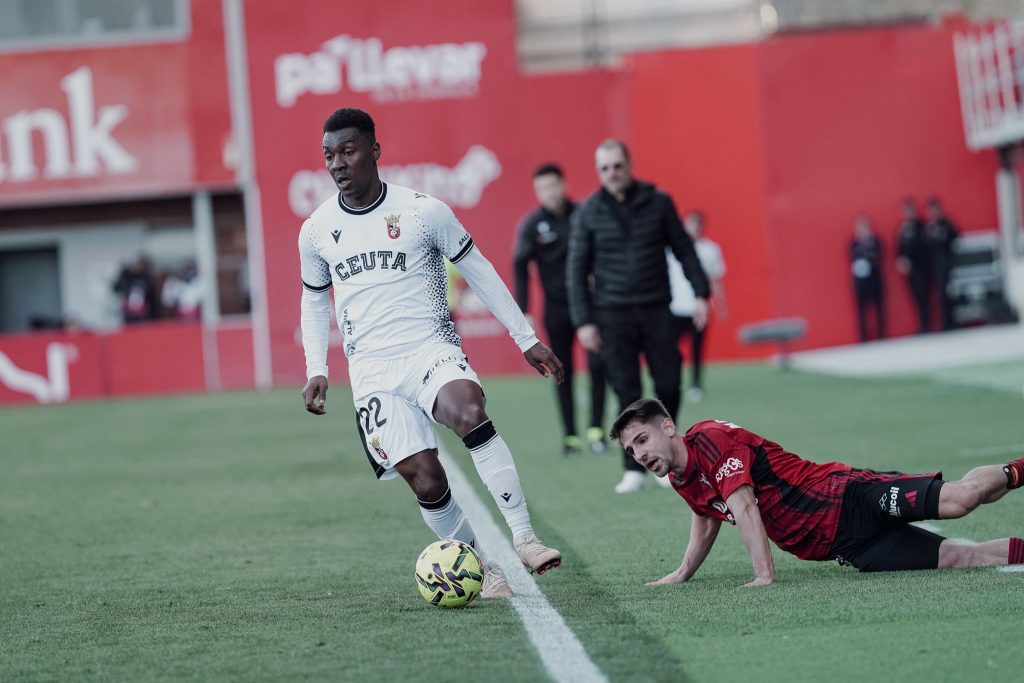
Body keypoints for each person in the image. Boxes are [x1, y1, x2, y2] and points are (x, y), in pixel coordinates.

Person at [298, 108, 565, 600]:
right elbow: (314, 299)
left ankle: (525, 538)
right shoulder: (316, 230)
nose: (337, 164)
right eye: (329, 155)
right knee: (425, 480)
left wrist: (525, 337)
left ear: (375, 151)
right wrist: (317, 367)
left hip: (429, 350)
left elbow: (479, 269)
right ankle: (484, 568)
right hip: (371, 372)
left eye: (348, 151)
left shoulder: (424, 212)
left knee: (468, 410)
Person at [611, 398, 1024, 587]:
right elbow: (705, 517)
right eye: (632, 451)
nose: (640, 454)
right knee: (960, 558)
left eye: (642, 440)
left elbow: (745, 507)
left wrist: (763, 575)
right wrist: (683, 572)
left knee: (960, 500)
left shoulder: (710, 439)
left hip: (848, 498)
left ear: (668, 427)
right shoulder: (681, 477)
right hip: (848, 546)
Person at [567, 139, 710, 494]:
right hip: (612, 315)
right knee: (627, 393)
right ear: (598, 172)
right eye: (605, 168)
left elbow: (684, 249)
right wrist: (584, 321)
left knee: (669, 384)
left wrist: (701, 293)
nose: (612, 173)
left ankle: (667, 460)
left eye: (617, 166)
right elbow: (576, 270)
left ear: (629, 165)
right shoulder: (588, 212)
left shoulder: (658, 202)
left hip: (656, 308)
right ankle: (634, 468)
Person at [514, 163, 608, 457]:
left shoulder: (583, 215)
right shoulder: (532, 225)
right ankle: (570, 437)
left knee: (598, 366)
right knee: (561, 369)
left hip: (589, 306)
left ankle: (597, 431)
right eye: (543, 188)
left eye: (553, 185)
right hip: (556, 309)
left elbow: (603, 252)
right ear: (536, 192)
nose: (550, 192)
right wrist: (524, 309)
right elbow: (520, 266)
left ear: (563, 185)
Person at [667, 210, 727, 402]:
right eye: (690, 223)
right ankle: (670, 383)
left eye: (697, 224)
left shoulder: (710, 250)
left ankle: (696, 384)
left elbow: (715, 279)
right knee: (669, 350)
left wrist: (720, 303)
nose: (694, 228)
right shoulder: (670, 248)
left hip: (698, 308)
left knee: (697, 349)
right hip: (674, 308)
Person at [924, 197, 960, 331]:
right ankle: (944, 323)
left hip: (948, 263)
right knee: (940, 295)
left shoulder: (946, 224)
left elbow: (955, 236)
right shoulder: (928, 227)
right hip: (935, 266)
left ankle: (954, 321)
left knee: (951, 293)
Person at [895, 199, 930, 334]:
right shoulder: (902, 228)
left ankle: (926, 324)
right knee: (915, 296)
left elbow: (923, 246)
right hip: (910, 270)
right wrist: (901, 260)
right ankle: (921, 324)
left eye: (909, 211)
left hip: (921, 267)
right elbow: (899, 247)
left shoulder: (921, 226)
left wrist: (913, 260)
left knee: (924, 296)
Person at [848, 215, 884, 342]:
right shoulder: (854, 243)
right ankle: (863, 336)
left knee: (878, 307)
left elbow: (879, 255)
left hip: (874, 278)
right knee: (861, 309)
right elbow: (852, 258)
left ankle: (881, 334)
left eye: (865, 226)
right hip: (860, 281)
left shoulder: (875, 241)